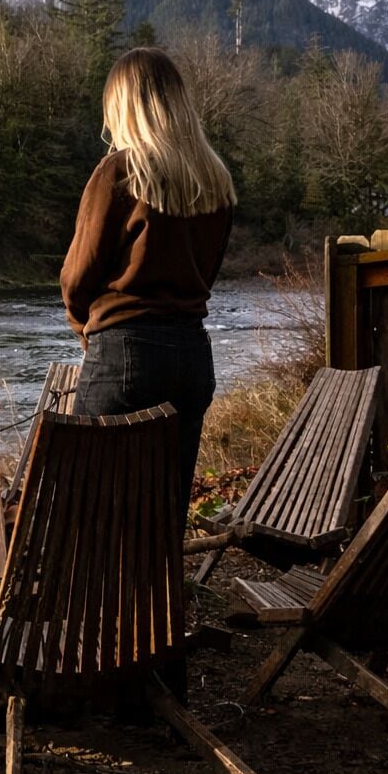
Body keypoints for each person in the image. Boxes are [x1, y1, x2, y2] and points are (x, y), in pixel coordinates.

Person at [60, 48, 236, 518]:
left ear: (124, 105)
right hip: (192, 354)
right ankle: (158, 592)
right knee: (163, 509)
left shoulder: (118, 172)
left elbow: (78, 277)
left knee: (86, 502)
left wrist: (86, 332)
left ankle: (94, 594)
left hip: (125, 351)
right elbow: (208, 273)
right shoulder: (215, 178)